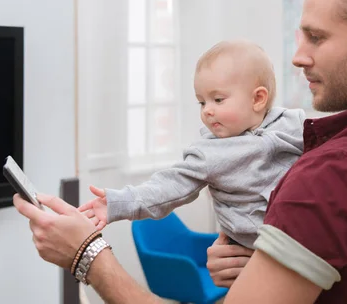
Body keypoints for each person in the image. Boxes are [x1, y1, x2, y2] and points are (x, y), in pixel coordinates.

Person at [14, 0, 347, 303]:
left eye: (317, 36)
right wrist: (266, 264)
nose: (297, 56)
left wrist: (86, 256)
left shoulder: (338, 171)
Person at [77, 40, 304, 248]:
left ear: (257, 99)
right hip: (255, 246)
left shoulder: (292, 123)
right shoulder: (209, 153)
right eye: (202, 102)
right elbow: (167, 187)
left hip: (300, 236)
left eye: (218, 100)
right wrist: (118, 203)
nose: (207, 110)